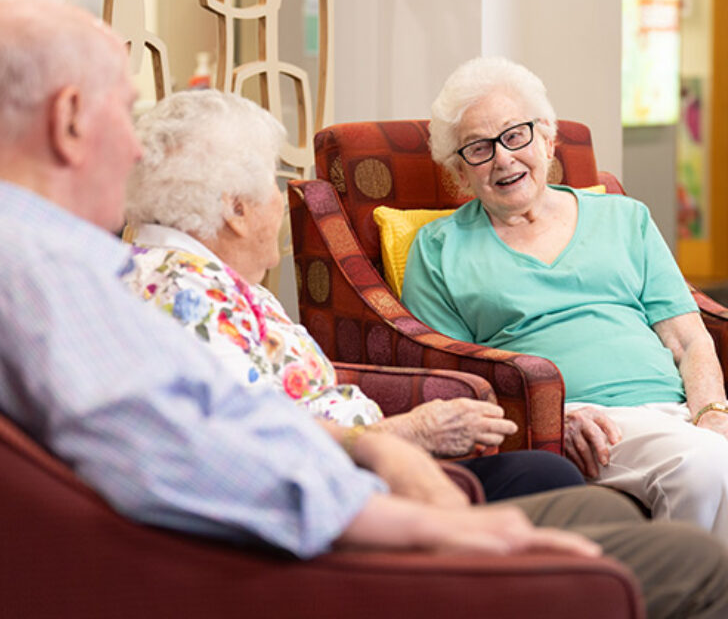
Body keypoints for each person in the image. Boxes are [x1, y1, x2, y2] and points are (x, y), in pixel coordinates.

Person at [0, 0, 728, 619]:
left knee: (614, 514)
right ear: (66, 120)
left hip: (285, 525)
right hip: (283, 568)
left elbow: (193, 423)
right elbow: (180, 465)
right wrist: (424, 518)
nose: (137, 151)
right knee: (689, 562)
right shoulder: (43, 279)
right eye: (125, 115)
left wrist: (375, 454)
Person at [402, 55, 728, 619]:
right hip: (597, 422)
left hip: (685, 412)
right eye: (479, 148)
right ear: (461, 171)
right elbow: (453, 373)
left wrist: (712, 412)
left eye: (515, 135)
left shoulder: (624, 219)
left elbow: (688, 338)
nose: (503, 158)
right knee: (704, 465)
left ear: (549, 137)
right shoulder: (438, 250)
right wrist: (551, 417)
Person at [121, 89, 585, 502]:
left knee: (553, 480)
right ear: (237, 211)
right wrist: (405, 433)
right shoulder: (186, 294)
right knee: (548, 479)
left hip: (358, 468)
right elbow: (247, 441)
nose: (281, 201)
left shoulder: (196, 274)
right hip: (342, 490)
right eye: (273, 183)